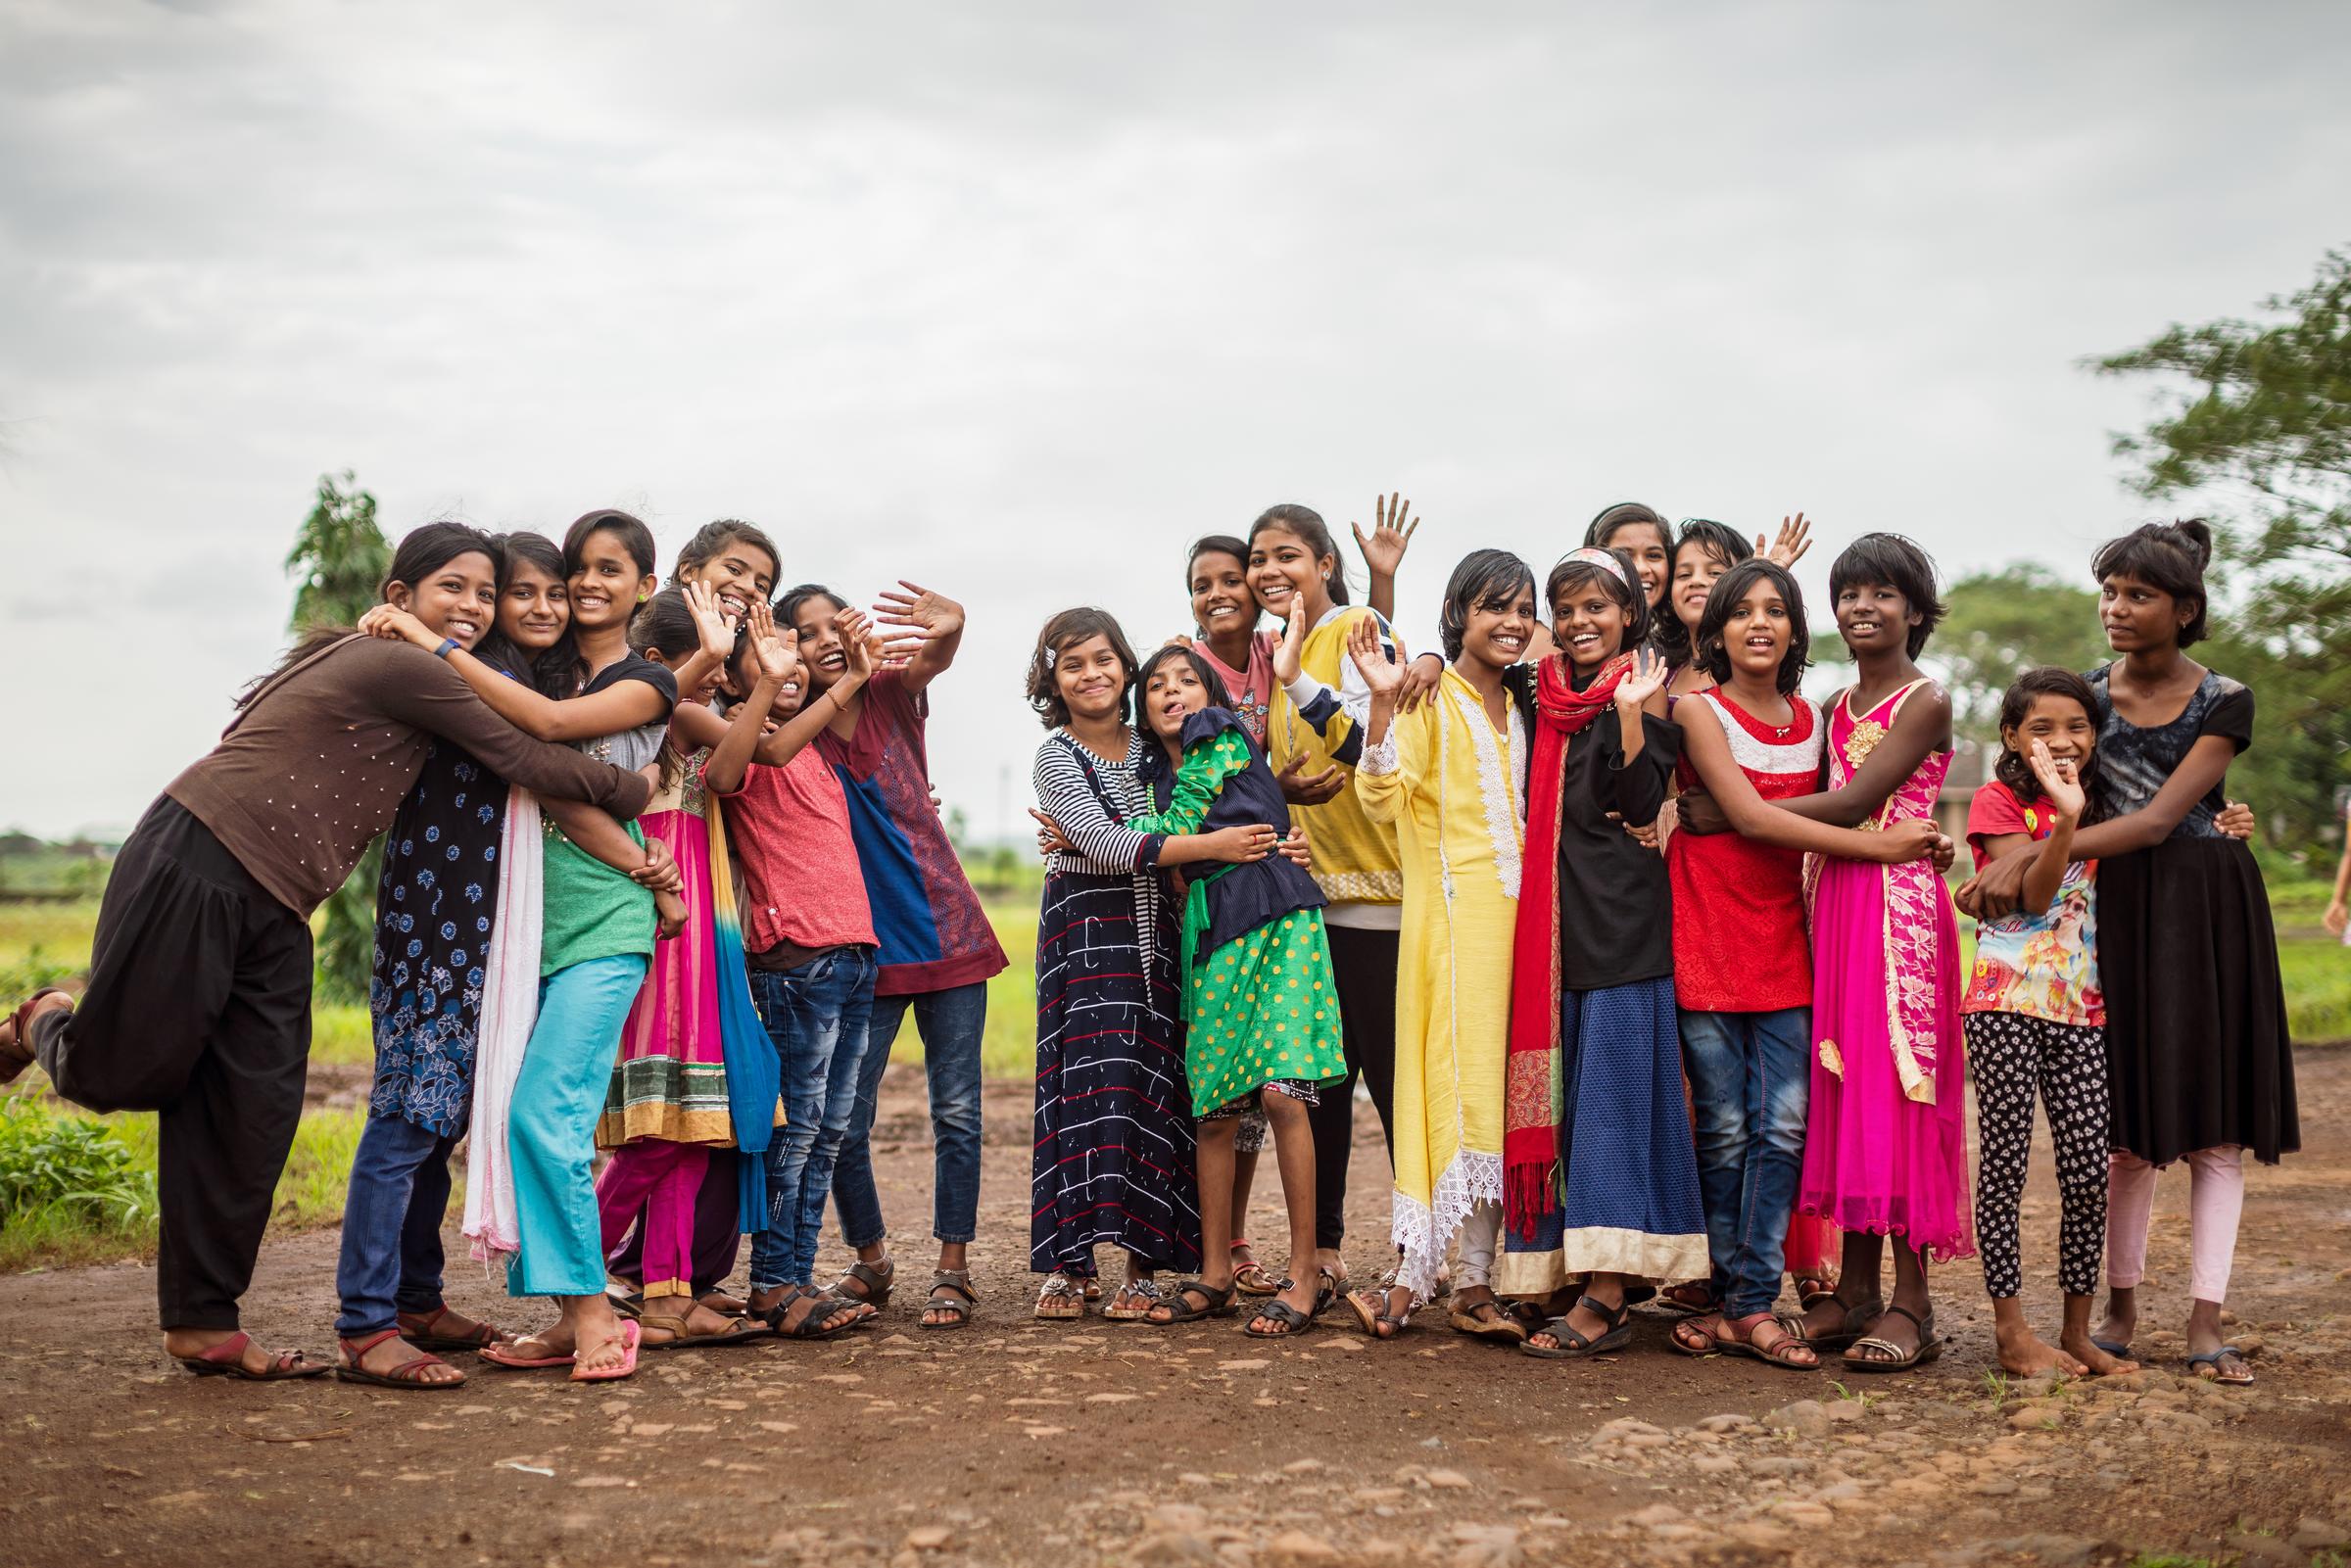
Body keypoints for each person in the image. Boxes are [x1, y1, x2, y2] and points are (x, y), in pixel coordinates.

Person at [1, 539, 655, 1383]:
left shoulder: (430, 664)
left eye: (483, 591)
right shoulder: (403, 661)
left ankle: (202, 1322)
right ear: (399, 595)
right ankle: (42, 1016)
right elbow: (529, 757)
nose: (472, 604)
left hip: (283, 899)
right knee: (120, 1072)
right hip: (201, 854)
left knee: (254, 1107)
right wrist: (641, 788)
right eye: (453, 586)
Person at [1963, 520, 2296, 1387]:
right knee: (2125, 1130)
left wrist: (2025, 864)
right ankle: (2115, 1312)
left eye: (2138, 594)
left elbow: (2156, 819)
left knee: (2217, 1127)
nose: (2115, 607)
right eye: (2109, 591)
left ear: (2184, 608)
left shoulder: (2226, 698)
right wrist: (2010, 857)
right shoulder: (2088, 697)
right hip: (2112, 913)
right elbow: (2042, 786)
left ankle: (2206, 1320)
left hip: (2208, 907)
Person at [1667, 558, 1943, 1369]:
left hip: (1806, 935)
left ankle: (1761, 1301)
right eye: (1742, 610)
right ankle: (1742, 1299)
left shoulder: (1822, 717)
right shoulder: (1706, 709)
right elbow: (1786, 816)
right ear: (1715, 630)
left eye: (1776, 609)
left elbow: (1846, 804)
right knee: (1727, 1126)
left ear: (1795, 629)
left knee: (1789, 1124)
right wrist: (1873, 842)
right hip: (1720, 933)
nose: (1759, 623)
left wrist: (1907, 845)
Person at [1026, 608, 1300, 1320]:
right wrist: (1211, 847)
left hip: (1169, 940)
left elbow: (1214, 808)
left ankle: (1142, 1266)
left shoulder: (1156, 752)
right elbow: (1111, 844)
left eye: (1103, 660)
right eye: (1073, 665)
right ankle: (1069, 1265)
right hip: (1087, 941)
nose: (1091, 675)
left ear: (1126, 668)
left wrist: (1273, 835)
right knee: (1082, 1088)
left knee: (1154, 1093)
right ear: (1052, 681)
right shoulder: (1057, 756)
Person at [1498, 547, 1709, 1357]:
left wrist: (1627, 714)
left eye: (1598, 606)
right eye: (1568, 608)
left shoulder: (1645, 686)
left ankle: (1609, 1294)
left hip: (1623, 927)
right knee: (1574, 1106)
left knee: (1613, 1109)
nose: (1581, 621)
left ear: (1629, 613)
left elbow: (1639, 802)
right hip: (1555, 930)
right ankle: (1566, 1272)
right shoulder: (1541, 691)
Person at [784, 579, 1008, 1330]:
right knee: (844, 1119)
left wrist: (954, 623)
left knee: (958, 1111)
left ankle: (954, 1268)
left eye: (833, 623)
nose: (823, 639)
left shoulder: (888, 692)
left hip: (948, 931)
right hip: (860, 947)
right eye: (804, 631)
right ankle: (872, 1259)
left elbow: (932, 658)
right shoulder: (793, 727)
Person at [1777, 534, 1974, 1373]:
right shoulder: (1833, 704)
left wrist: (1738, 807)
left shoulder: (1927, 700)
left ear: (1915, 611)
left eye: (1883, 593)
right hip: (1838, 900)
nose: (1863, 606)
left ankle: (1913, 1300)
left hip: (1900, 911)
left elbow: (1858, 798)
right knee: (1846, 1076)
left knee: (1900, 1083)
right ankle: (1856, 1289)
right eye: (1850, 593)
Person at [1122, 641, 1347, 1338]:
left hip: (1275, 913)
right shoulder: (1153, 771)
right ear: (1142, 708)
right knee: (1216, 1109)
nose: (1172, 692)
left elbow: (1179, 827)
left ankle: (1305, 1272)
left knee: (1282, 1092)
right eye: (1156, 685)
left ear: (1211, 697)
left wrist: (1093, 839)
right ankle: (1215, 1273)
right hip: (1213, 928)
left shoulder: (1214, 733)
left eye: (1187, 679)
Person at [1341, 550, 1535, 1342]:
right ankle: (1415, 1274)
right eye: (1494, 606)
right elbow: (1380, 795)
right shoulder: (1429, 696)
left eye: (1522, 608)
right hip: (1455, 928)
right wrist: (1385, 702)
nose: (1512, 622)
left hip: (1526, 928)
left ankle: (1479, 1276)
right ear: (1458, 612)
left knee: (1502, 1096)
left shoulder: (1525, 701)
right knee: (1454, 1090)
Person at [587, 587, 772, 1350]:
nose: (721, 675)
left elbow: (738, 763)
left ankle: (666, 1296)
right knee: (657, 1134)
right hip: (658, 930)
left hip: (700, 939)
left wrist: (765, 684)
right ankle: (568, 1267)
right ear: (660, 660)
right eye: (711, 658)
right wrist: (759, 680)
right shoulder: (636, 716)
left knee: (692, 1127)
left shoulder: (689, 722)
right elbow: (752, 756)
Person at [704, 600, 885, 1341]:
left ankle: (797, 1276)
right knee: (799, 1130)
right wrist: (768, 690)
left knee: (830, 1130)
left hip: (852, 954)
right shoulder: (740, 733)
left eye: (793, 652)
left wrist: (852, 677)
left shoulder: (807, 745)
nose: (787, 663)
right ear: (734, 674)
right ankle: (773, 1283)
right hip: (796, 961)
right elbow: (724, 774)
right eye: (765, 651)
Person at [1960, 668, 2136, 1379]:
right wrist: (2065, 820)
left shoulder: (2107, 801)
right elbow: (2032, 898)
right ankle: (2011, 1334)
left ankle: (2077, 1332)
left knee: (2088, 1174)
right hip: (2003, 1004)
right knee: (2004, 1168)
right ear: (2011, 736)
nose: (2062, 741)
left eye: (2077, 726)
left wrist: (2225, 824)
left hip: (2081, 1008)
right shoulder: (1996, 800)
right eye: (2041, 728)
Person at [1255, 502, 1405, 1304]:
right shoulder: (1280, 645)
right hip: (1315, 903)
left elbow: (1375, 740)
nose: (1270, 570)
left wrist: (1297, 680)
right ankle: (1327, 1248)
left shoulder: (1353, 627)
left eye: (1287, 555)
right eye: (1259, 558)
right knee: (1327, 1085)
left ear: (1323, 564)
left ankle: (1420, 1253)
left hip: (1381, 900)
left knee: (1395, 1087)